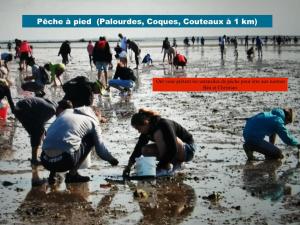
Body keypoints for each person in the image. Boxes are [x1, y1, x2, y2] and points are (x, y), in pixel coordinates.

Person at [41, 101, 119, 184]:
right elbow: (100, 150)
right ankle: (72, 175)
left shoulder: (66, 112)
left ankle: (52, 176)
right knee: (91, 138)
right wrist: (112, 160)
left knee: (60, 137)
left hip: (45, 161)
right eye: (100, 117)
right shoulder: (93, 121)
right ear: (95, 113)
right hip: (65, 161)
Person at [123, 108, 196, 177]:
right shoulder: (147, 131)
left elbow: (173, 148)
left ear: (146, 123)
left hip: (188, 150)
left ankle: (165, 168)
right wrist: (129, 166)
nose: (139, 131)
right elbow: (138, 149)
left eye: (139, 128)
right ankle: (176, 163)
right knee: (144, 150)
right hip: (175, 149)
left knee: (157, 134)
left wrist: (160, 166)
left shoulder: (163, 124)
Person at [14, 97, 57, 166]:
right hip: (25, 109)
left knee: (36, 131)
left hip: (18, 108)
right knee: (37, 133)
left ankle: (36, 156)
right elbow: (40, 123)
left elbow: (40, 120)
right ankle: (34, 159)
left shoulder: (47, 103)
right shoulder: (52, 109)